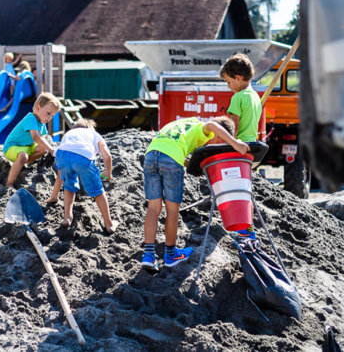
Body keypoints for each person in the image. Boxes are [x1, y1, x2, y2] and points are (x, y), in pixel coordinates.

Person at [141, 116, 250, 272]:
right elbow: (212, 125)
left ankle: (149, 256)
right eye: (220, 142)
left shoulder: (184, 124)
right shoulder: (204, 128)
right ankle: (171, 254)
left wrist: (193, 165)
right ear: (217, 134)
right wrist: (235, 142)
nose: (216, 146)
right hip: (170, 158)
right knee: (172, 210)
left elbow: (171, 150)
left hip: (151, 156)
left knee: (153, 208)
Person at [221, 52, 263, 243]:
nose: (228, 87)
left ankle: (241, 227)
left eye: (228, 82)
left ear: (238, 78)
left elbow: (234, 127)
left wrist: (227, 143)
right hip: (250, 150)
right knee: (245, 188)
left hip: (237, 150)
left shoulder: (238, 98)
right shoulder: (254, 96)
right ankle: (248, 227)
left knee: (233, 188)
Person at [49, 118, 117, 233]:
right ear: (90, 128)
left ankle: (67, 217)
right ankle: (109, 224)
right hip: (83, 157)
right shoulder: (94, 134)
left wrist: (54, 196)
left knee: (68, 186)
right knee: (97, 190)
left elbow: (60, 175)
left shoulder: (69, 134)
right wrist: (108, 173)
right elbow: (107, 155)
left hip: (61, 154)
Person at [3, 92, 61, 186]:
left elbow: (43, 138)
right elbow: (36, 137)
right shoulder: (31, 118)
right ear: (38, 108)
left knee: (42, 149)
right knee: (23, 156)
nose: (50, 118)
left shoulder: (41, 124)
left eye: (52, 116)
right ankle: (9, 184)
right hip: (12, 147)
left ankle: (22, 164)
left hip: (26, 147)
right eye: (48, 113)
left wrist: (50, 148)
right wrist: (51, 149)